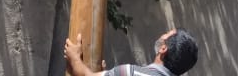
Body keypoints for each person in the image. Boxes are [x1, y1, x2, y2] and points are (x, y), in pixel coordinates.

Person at [64, 27, 199, 76]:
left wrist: (74, 57)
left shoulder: (131, 73)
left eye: (166, 34)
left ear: (163, 49)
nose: (162, 35)